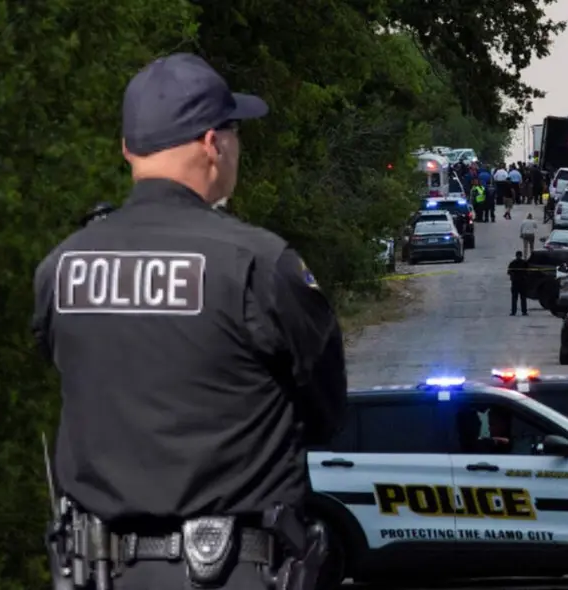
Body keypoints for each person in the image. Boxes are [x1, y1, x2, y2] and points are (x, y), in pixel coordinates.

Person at [31, 53, 346, 590]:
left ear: (129, 148)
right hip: (227, 571)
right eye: (235, 132)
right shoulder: (260, 265)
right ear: (212, 143)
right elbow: (325, 415)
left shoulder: (61, 267)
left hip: (97, 573)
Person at [507, 250, 529, 316]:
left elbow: (509, 272)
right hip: (519, 282)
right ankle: (522, 311)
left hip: (518, 282)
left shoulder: (514, 263)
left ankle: (517, 312)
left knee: (518, 298)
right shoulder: (524, 263)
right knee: (520, 298)